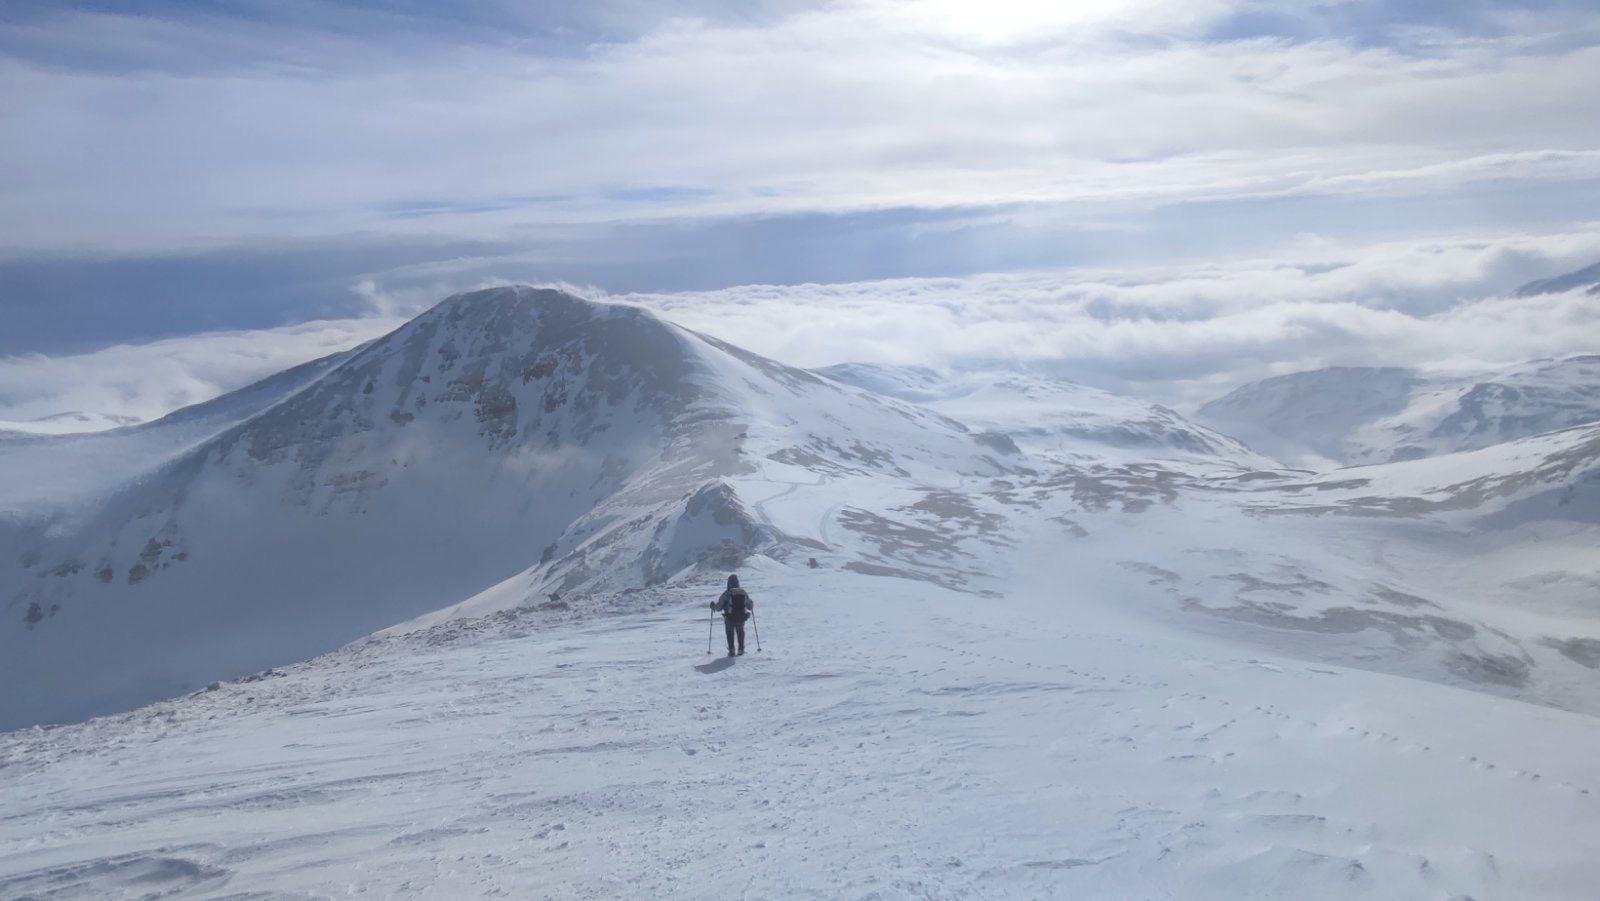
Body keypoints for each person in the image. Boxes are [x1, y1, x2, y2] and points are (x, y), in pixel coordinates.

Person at [710, 574, 753, 656]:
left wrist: (713, 607)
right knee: (740, 632)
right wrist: (751, 604)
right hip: (741, 617)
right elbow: (749, 606)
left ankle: (732, 650)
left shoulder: (727, 593)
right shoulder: (743, 592)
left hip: (729, 617)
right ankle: (741, 649)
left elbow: (719, 607)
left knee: (729, 633)